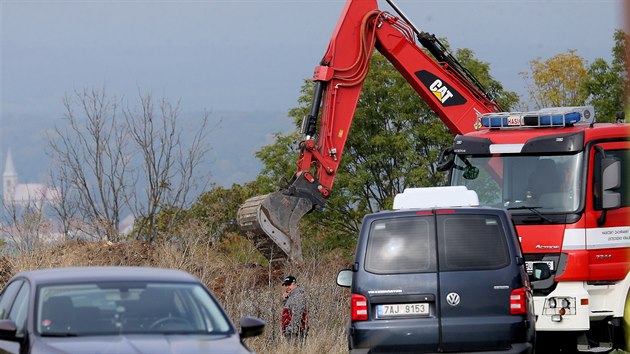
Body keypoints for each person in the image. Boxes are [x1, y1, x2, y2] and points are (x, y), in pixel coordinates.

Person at [281, 275, 309, 344]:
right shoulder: (291, 296)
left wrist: (290, 330)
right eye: (285, 285)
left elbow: (298, 314)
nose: (287, 287)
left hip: (295, 332)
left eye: (288, 284)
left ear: (294, 283)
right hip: (292, 330)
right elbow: (288, 310)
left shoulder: (298, 296)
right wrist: (285, 300)